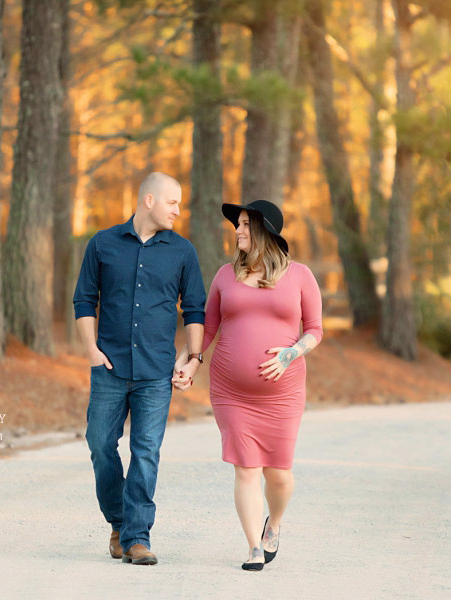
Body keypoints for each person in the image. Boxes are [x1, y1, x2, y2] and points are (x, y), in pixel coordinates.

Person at [174, 199, 323, 571]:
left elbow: (315, 330)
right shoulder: (226, 275)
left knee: (279, 474)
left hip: (283, 393)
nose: (237, 231)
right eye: (237, 224)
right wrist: (191, 360)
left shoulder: (300, 275)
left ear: (264, 230)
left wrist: (289, 355)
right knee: (245, 468)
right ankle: (255, 546)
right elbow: (208, 328)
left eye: (243, 224)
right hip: (231, 391)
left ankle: (276, 523)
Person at [72, 172, 207, 566]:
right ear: (149, 200)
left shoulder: (183, 252)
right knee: (99, 444)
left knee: (146, 452)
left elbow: (195, 308)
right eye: (173, 202)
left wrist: (194, 358)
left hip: (155, 373)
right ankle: (119, 521)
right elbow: (84, 299)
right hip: (109, 367)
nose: (179, 211)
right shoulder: (103, 244)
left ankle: (136, 537)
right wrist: (91, 350)